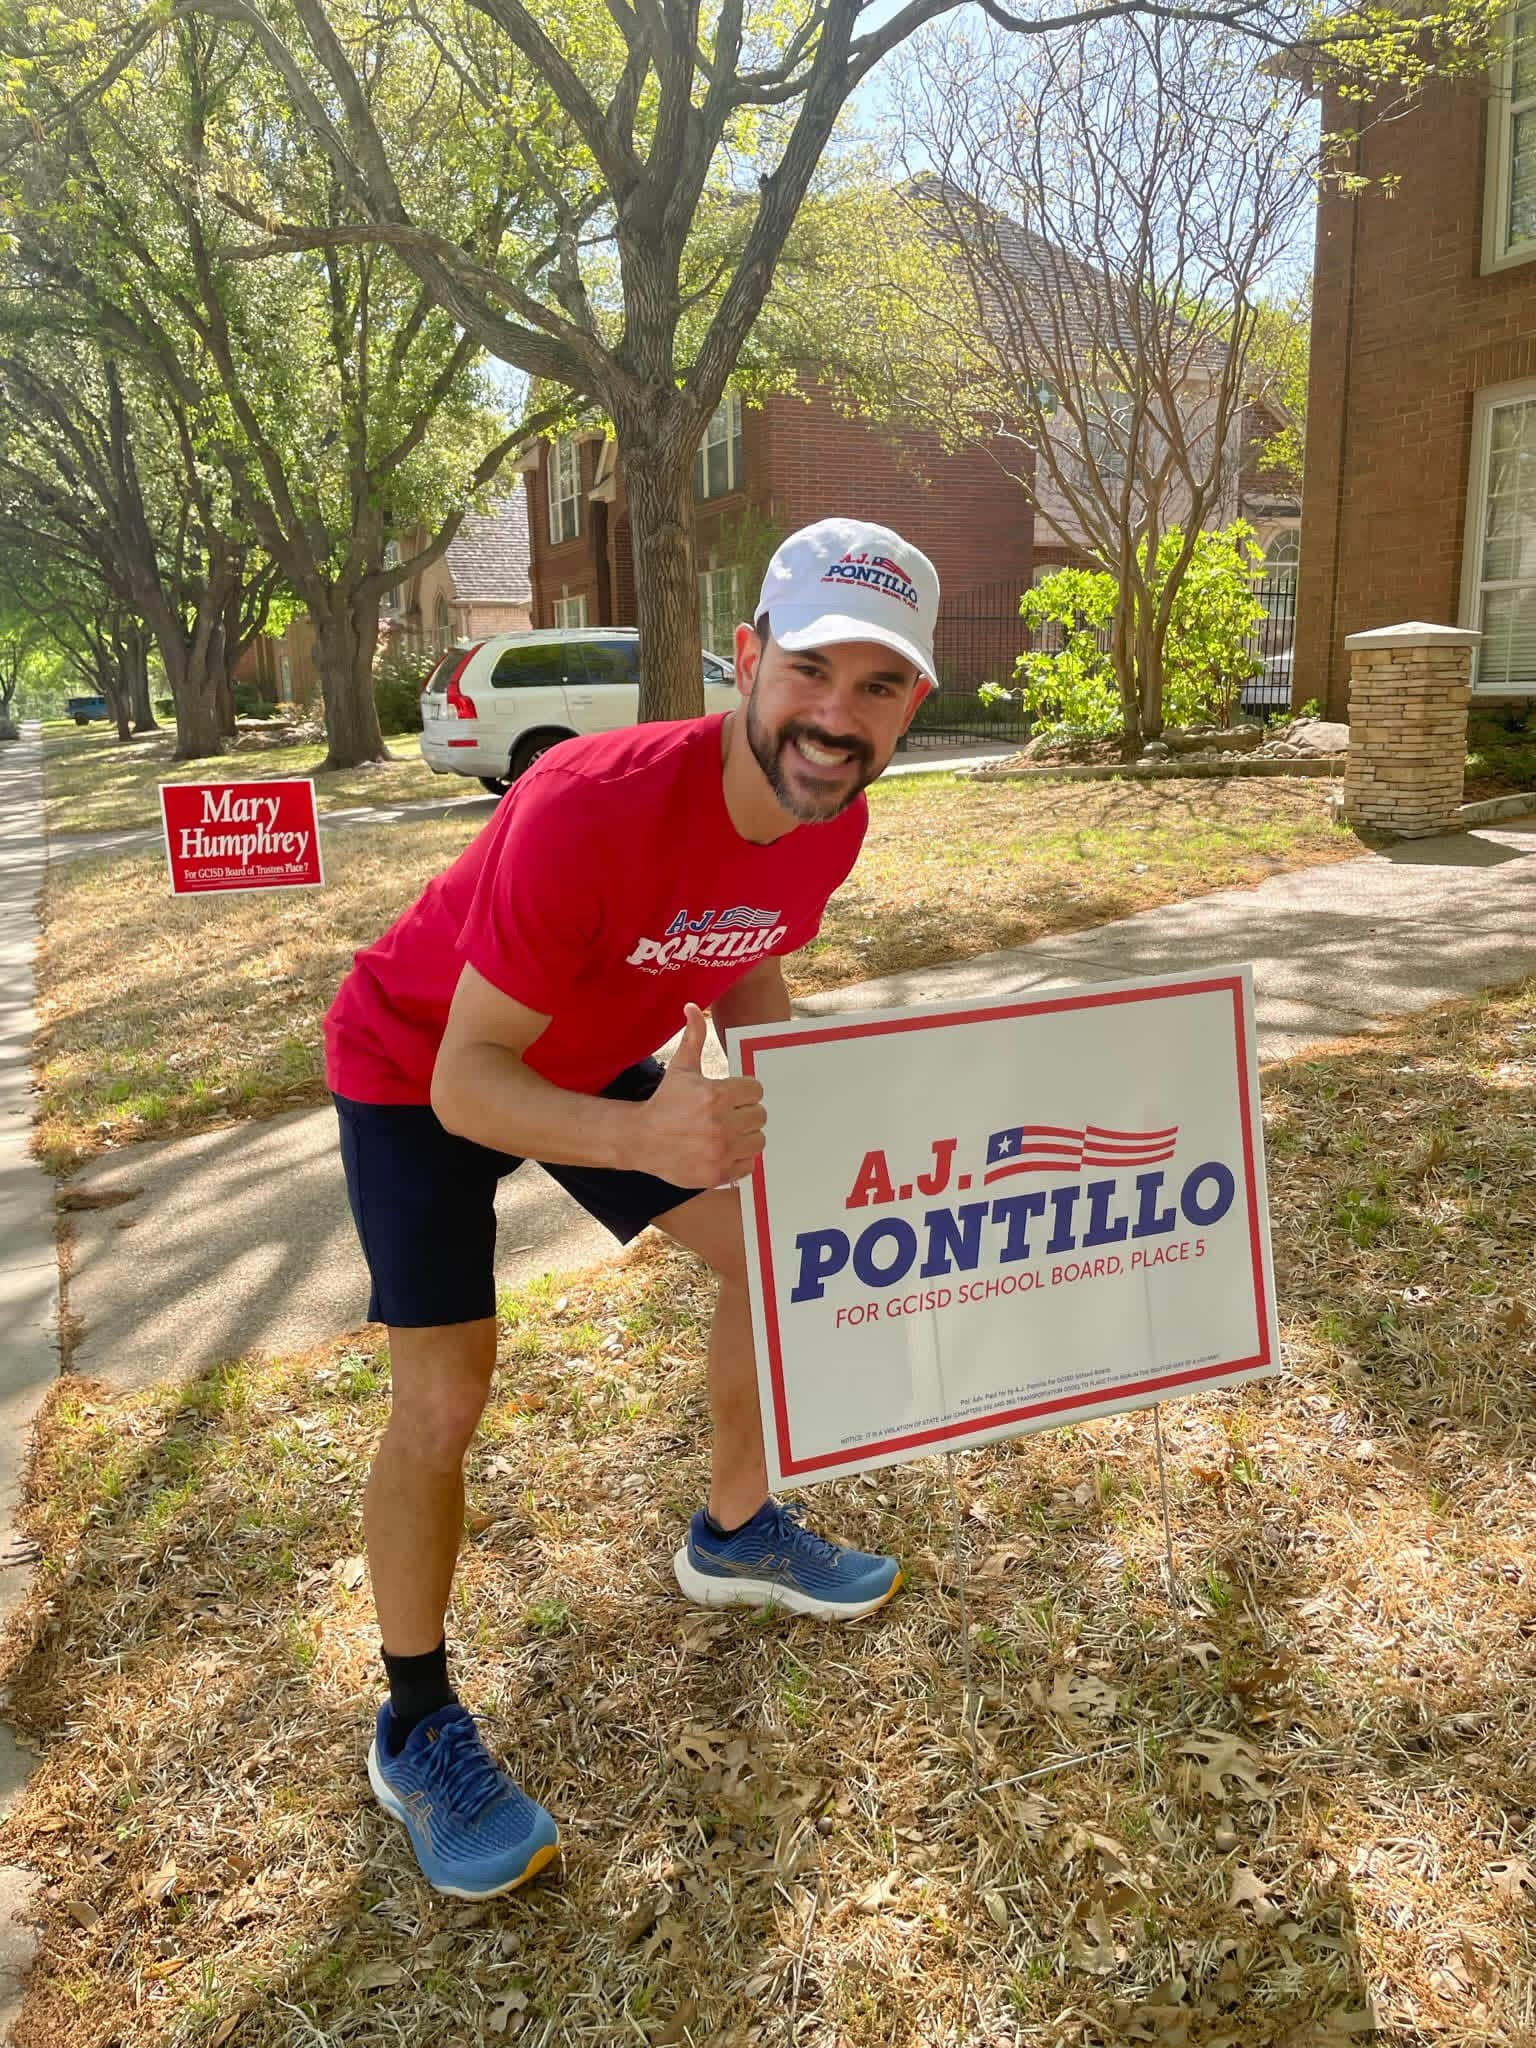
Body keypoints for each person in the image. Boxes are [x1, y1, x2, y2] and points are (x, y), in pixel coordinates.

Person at [324, 517, 938, 1900]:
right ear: (748, 659)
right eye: (812, 670)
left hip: (593, 1052)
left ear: (911, 707)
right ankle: (415, 1722)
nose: (837, 716)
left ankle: (735, 1529)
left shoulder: (829, 822)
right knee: (444, 1396)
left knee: (780, 1252)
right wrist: (647, 1130)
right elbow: (468, 1082)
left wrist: (800, 1105)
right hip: (421, 1062)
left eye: (878, 685)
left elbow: (746, 959)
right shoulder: (589, 803)